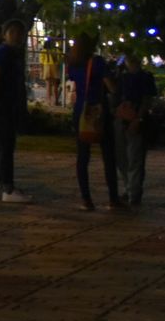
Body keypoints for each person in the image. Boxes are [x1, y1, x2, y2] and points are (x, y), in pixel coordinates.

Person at [65, 32, 120, 211]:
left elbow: (74, 81)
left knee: (83, 156)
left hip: (81, 111)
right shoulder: (97, 62)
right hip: (98, 111)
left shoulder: (73, 63)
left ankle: (86, 199)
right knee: (108, 155)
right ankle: (113, 198)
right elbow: (111, 87)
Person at [0, 19, 30, 202]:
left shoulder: (5, 52)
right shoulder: (4, 52)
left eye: (20, 33)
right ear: (5, 34)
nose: (17, 36)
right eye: (13, 32)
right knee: (6, 146)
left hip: (0, 104)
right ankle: (7, 189)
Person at [114, 51, 157, 208]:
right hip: (122, 118)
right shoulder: (123, 77)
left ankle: (134, 191)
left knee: (135, 157)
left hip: (135, 118)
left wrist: (139, 118)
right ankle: (130, 188)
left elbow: (147, 99)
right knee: (123, 158)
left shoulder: (145, 77)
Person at [40, 38, 62, 105]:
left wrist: (42, 71)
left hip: (46, 67)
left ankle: (48, 101)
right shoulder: (57, 50)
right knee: (55, 85)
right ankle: (55, 101)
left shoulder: (44, 51)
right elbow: (59, 60)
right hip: (54, 67)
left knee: (48, 85)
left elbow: (41, 62)